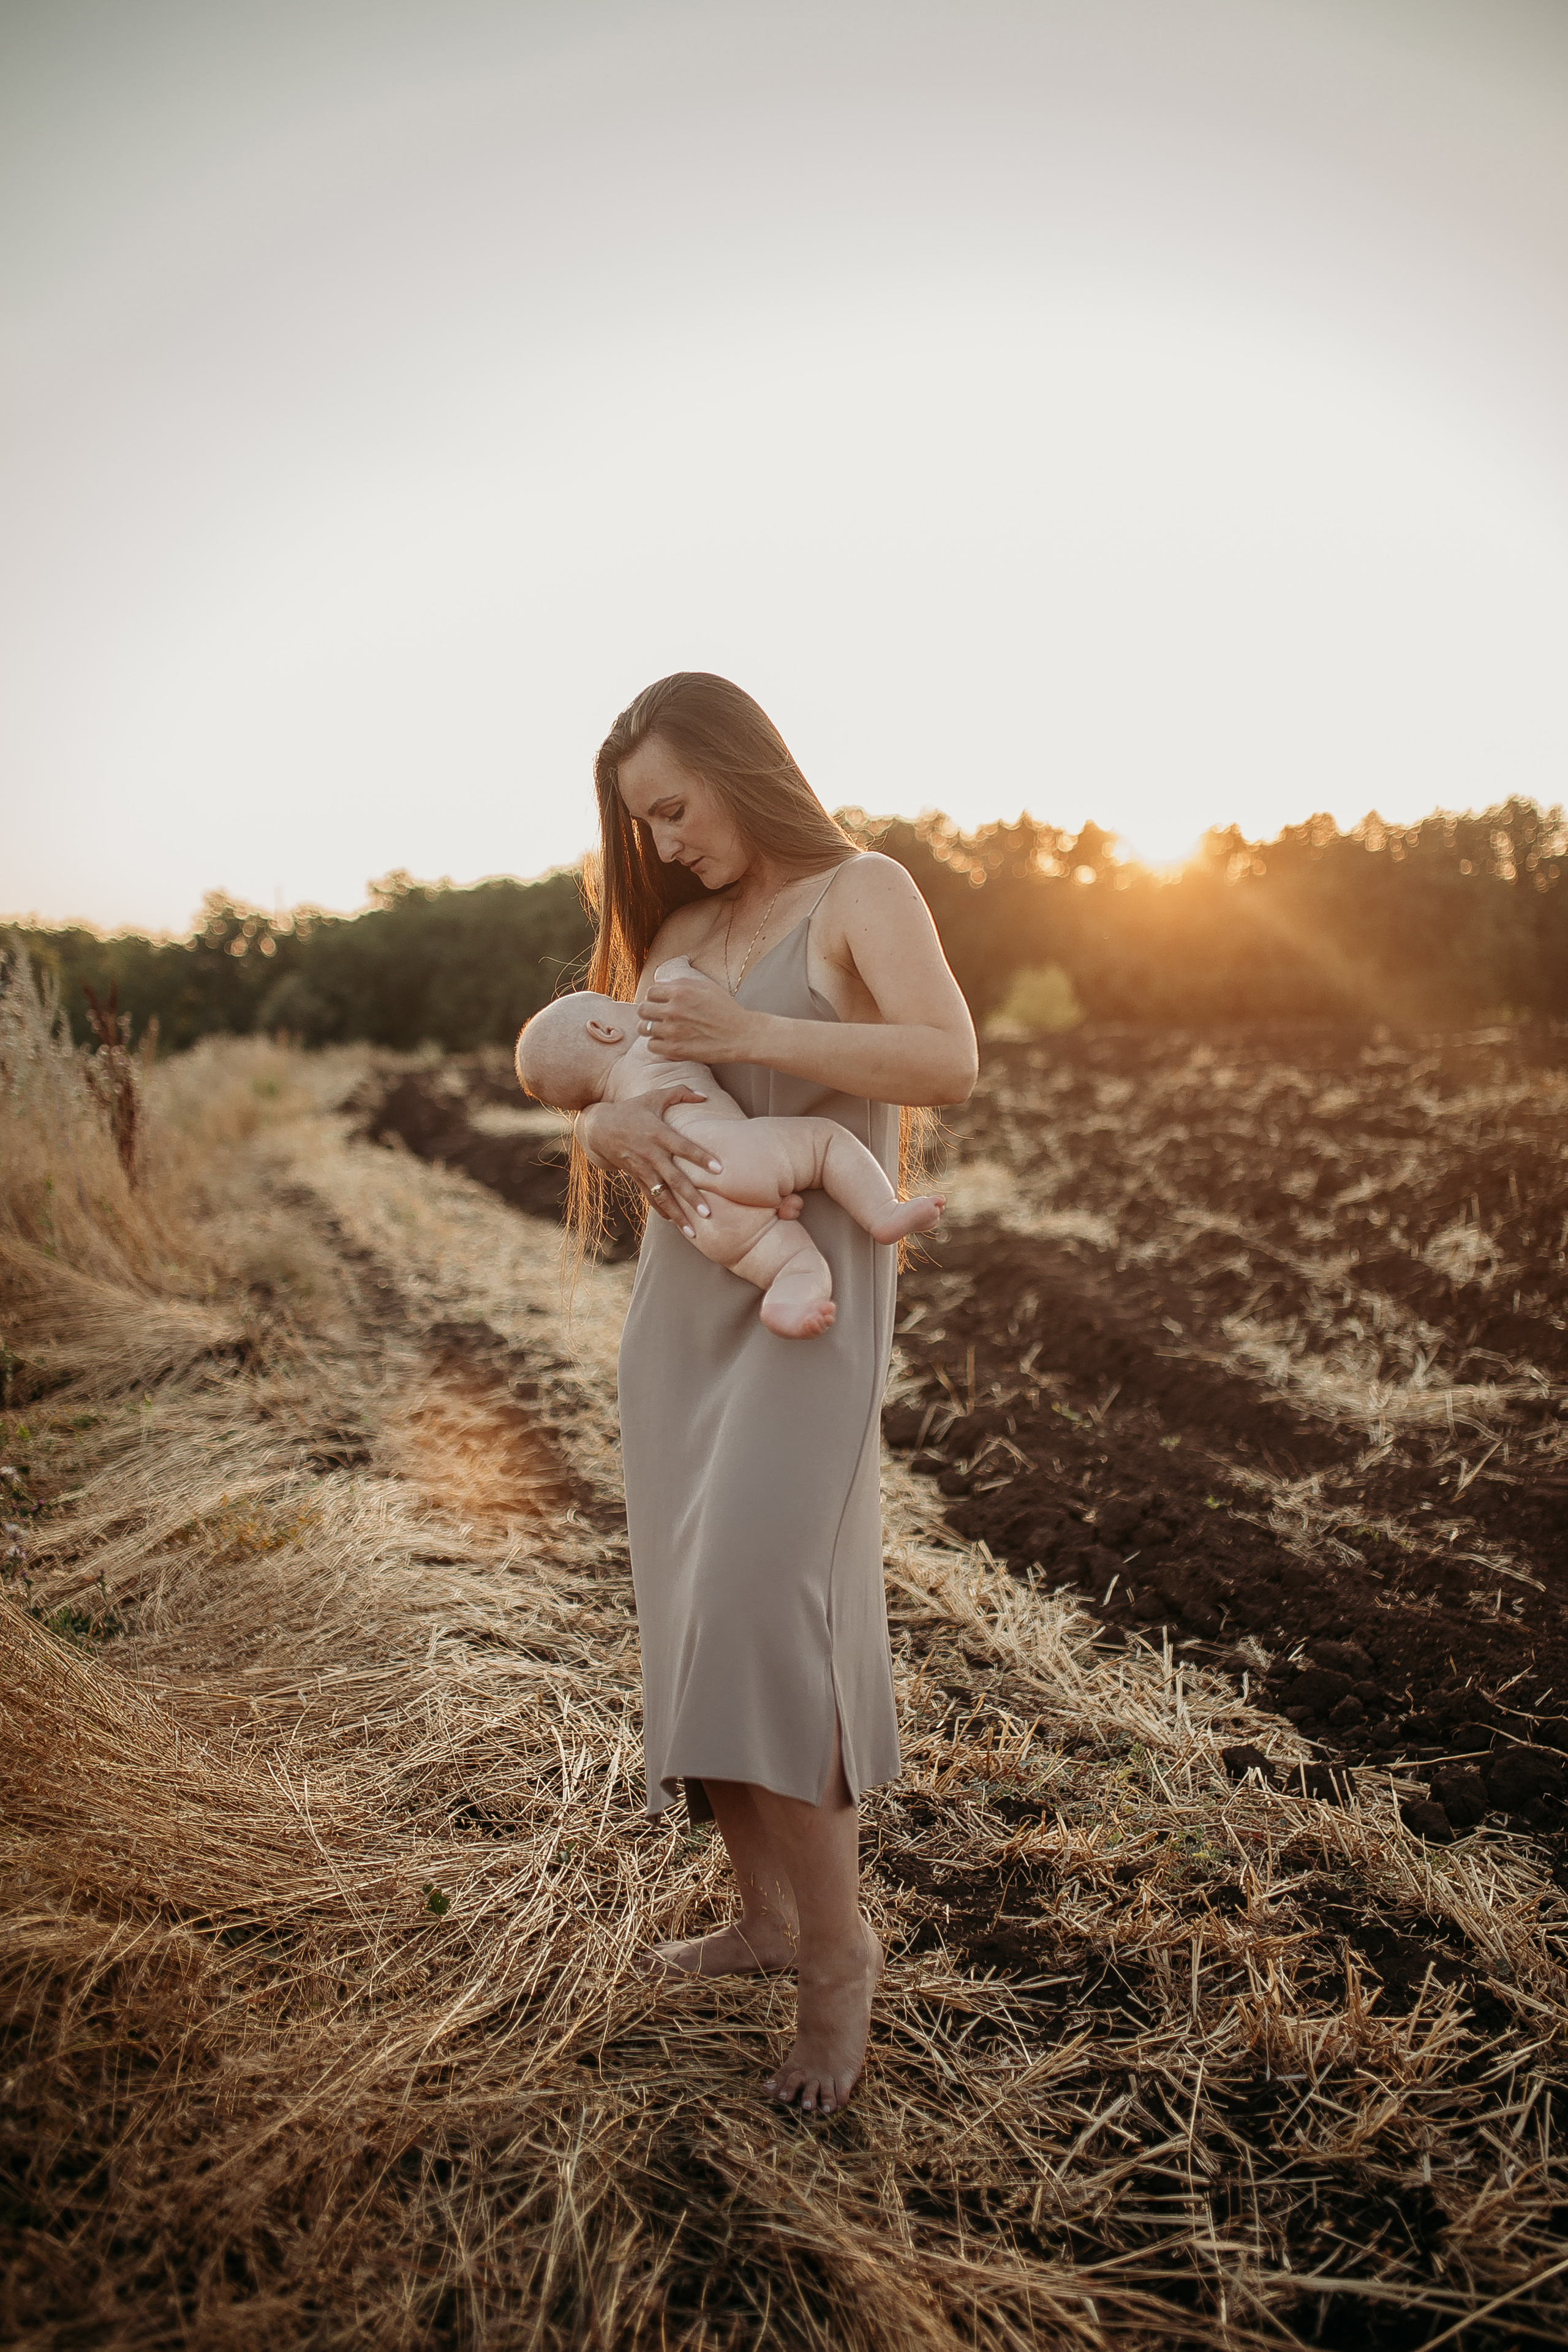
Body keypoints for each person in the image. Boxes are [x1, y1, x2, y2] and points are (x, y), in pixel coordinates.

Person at [573, 673, 976, 2116]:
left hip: (807, 1306)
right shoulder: (677, 928)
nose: (665, 840)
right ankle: (759, 1916)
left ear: (741, 766)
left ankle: (837, 1958)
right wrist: (609, 1113)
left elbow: (945, 1056)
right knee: (696, 1614)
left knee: (764, 1605)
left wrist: (749, 1040)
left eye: (675, 805)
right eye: (643, 821)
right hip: (682, 1313)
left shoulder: (861, 890)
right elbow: (595, 1066)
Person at [515, 956, 946, 1336]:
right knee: (825, 1142)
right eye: (623, 1007)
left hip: (701, 1217)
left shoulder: (621, 1108)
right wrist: (676, 965)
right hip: (728, 1153)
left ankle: (787, 1302)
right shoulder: (651, 1045)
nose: (636, 1006)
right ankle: (883, 1212)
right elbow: (674, 987)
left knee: (793, 1262)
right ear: (606, 1030)